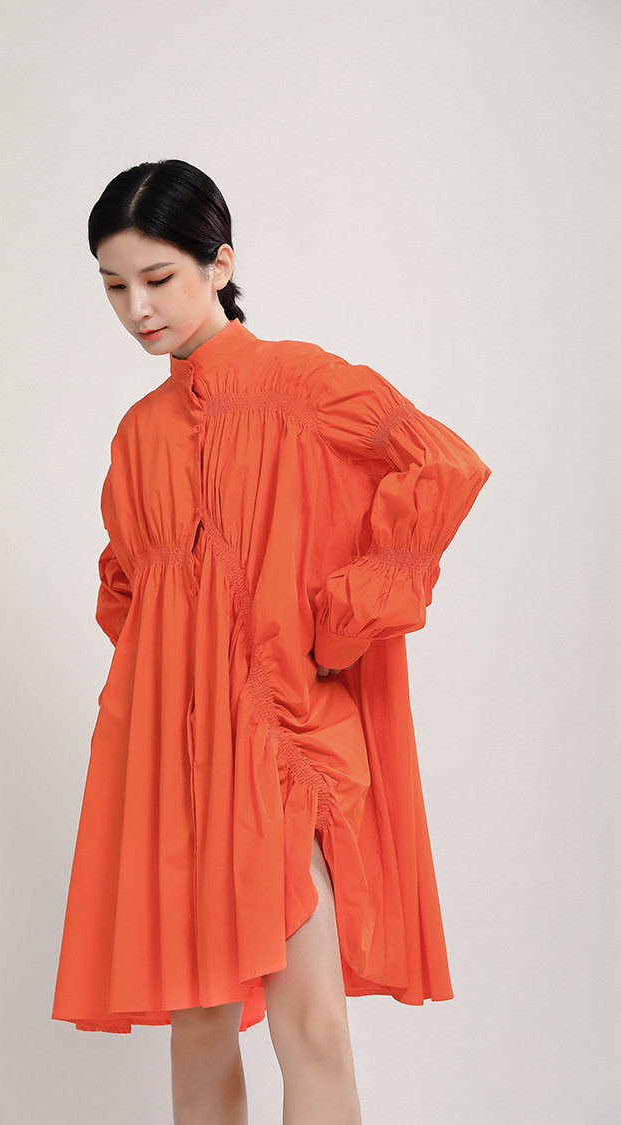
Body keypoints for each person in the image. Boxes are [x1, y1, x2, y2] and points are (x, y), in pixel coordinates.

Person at [51, 159, 492, 1124]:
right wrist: (174, 676)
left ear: (220, 263)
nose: (136, 309)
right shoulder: (138, 435)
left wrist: (343, 616)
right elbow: (128, 592)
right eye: (114, 287)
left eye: (158, 278)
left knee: (313, 1023)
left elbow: (442, 464)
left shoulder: (303, 383)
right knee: (199, 1025)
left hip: (286, 738)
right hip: (176, 758)